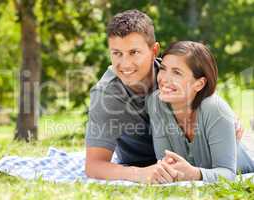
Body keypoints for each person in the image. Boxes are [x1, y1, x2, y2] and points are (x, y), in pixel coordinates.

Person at [85, 9, 243, 184]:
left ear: (154, 51)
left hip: (193, 160)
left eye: (134, 52)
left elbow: (200, 84)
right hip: (143, 164)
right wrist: (139, 174)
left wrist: (227, 118)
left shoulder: (166, 70)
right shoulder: (106, 95)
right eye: (117, 53)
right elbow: (94, 165)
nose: (125, 64)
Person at [147, 41, 254, 183]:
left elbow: (228, 173)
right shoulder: (156, 103)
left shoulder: (214, 108)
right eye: (163, 68)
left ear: (199, 84)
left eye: (177, 72)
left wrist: (195, 174)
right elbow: (166, 163)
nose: (164, 79)